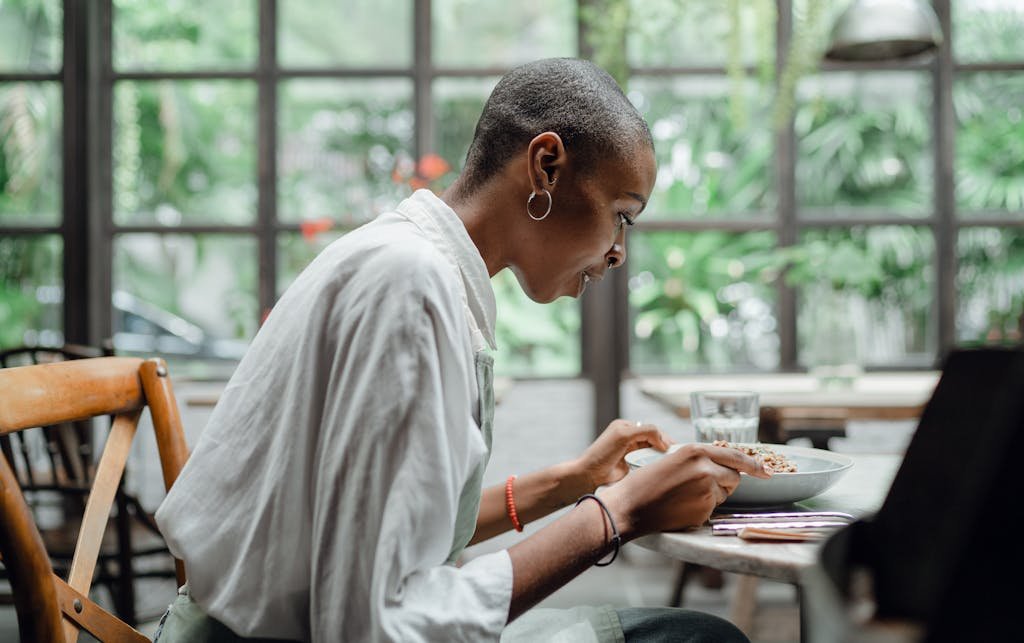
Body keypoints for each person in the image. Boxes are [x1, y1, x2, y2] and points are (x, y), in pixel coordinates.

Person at [153, 57, 770, 643]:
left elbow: (380, 532)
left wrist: (571, 483)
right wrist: (616, 514)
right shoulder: (409, 286)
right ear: (546, 166)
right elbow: (372, 625)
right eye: (622, 215)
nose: (618, 252)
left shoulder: (411, 263)